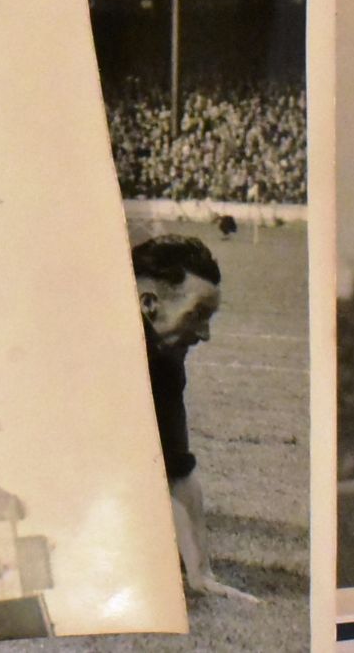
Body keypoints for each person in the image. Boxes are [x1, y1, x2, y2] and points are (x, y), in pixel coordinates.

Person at [134, 234, 257, 602]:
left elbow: (178, 468)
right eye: (198, 315)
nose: (204, 334)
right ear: (149, 304)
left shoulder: (164, 363)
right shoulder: (80, 342)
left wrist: (201, 573)